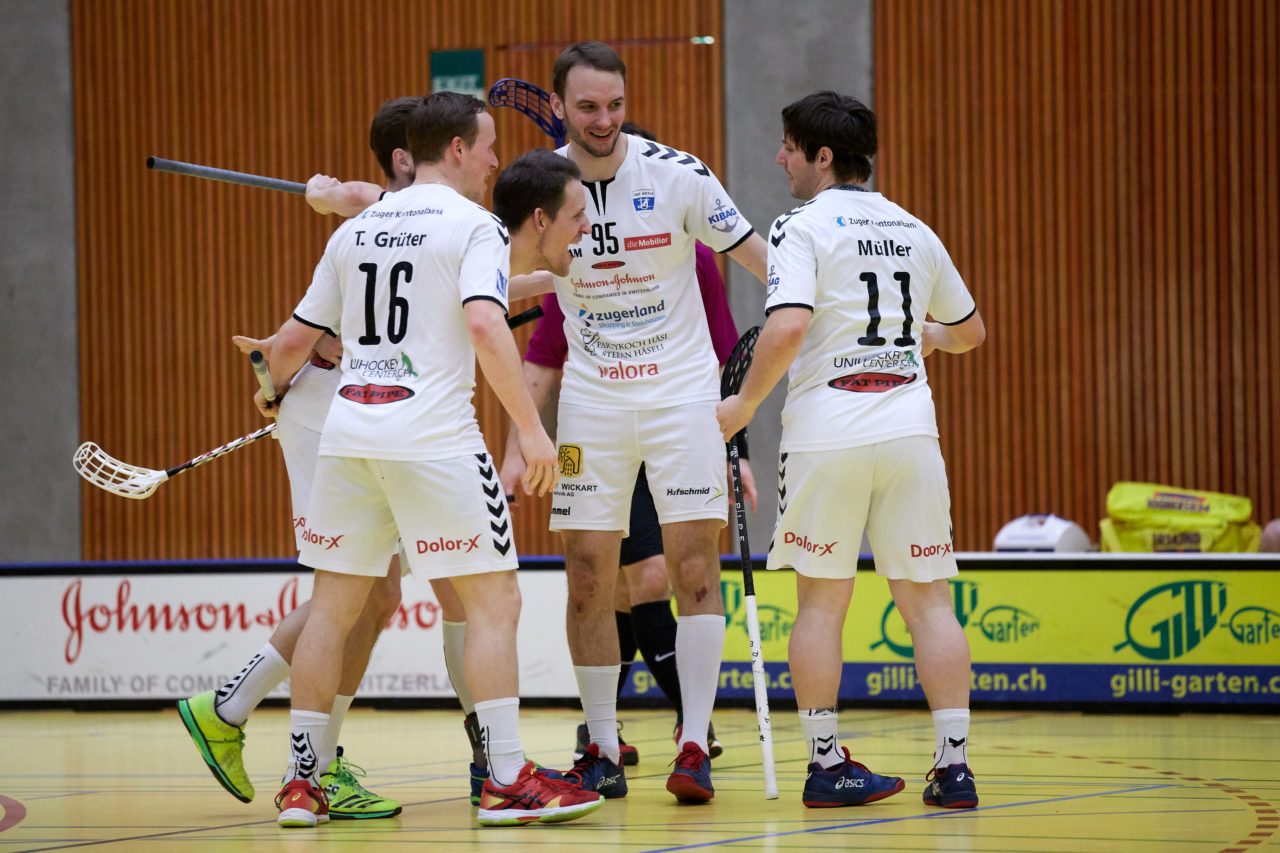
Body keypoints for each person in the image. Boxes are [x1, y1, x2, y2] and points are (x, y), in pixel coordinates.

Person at [259, 92, 600, 829]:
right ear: (456, 148)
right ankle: (505, 778)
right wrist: (531, 431)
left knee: (331, 612)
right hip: (435, 439)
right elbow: (483, 321)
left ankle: (300, 782)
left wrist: (269, 393)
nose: (494, 161)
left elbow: (286, 346)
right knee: (494, 602)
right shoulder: (475, 225)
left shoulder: (357, 230)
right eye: (488, 146)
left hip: (350, 435)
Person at [503, 41, 768, 804]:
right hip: (592, 403)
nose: (603, 120)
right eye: (587, 107)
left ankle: (694, 742)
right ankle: (601, 744)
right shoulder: (541, 186)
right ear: (558, 105)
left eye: (614, 105)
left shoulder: (679, 175)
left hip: (684, 398)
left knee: (693, 570)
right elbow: (486, 270)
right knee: (588, 574)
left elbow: (761, 260)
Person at [716, 90, 987, 809]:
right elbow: (971, 332)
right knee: (930, 605)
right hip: (909, 432)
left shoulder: (800, 226)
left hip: (827, 432)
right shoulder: (915, 228)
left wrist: (742, 406)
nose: (780, 159)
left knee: (820, 605)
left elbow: (787, 327)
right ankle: (954, 767)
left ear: (823, 156)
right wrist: (929, 337)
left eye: (789, 147)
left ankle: (826, 761)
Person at [175, 96, 430, 822]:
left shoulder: (402, 215)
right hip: (330, 411)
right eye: (448, 145)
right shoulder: (378, 220)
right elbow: (295, 339)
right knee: (353, 591)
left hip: (356, 409)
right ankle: (296, 755)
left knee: (375, 596)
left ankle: (242, 715)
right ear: (408, 158)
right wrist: (273, 383)